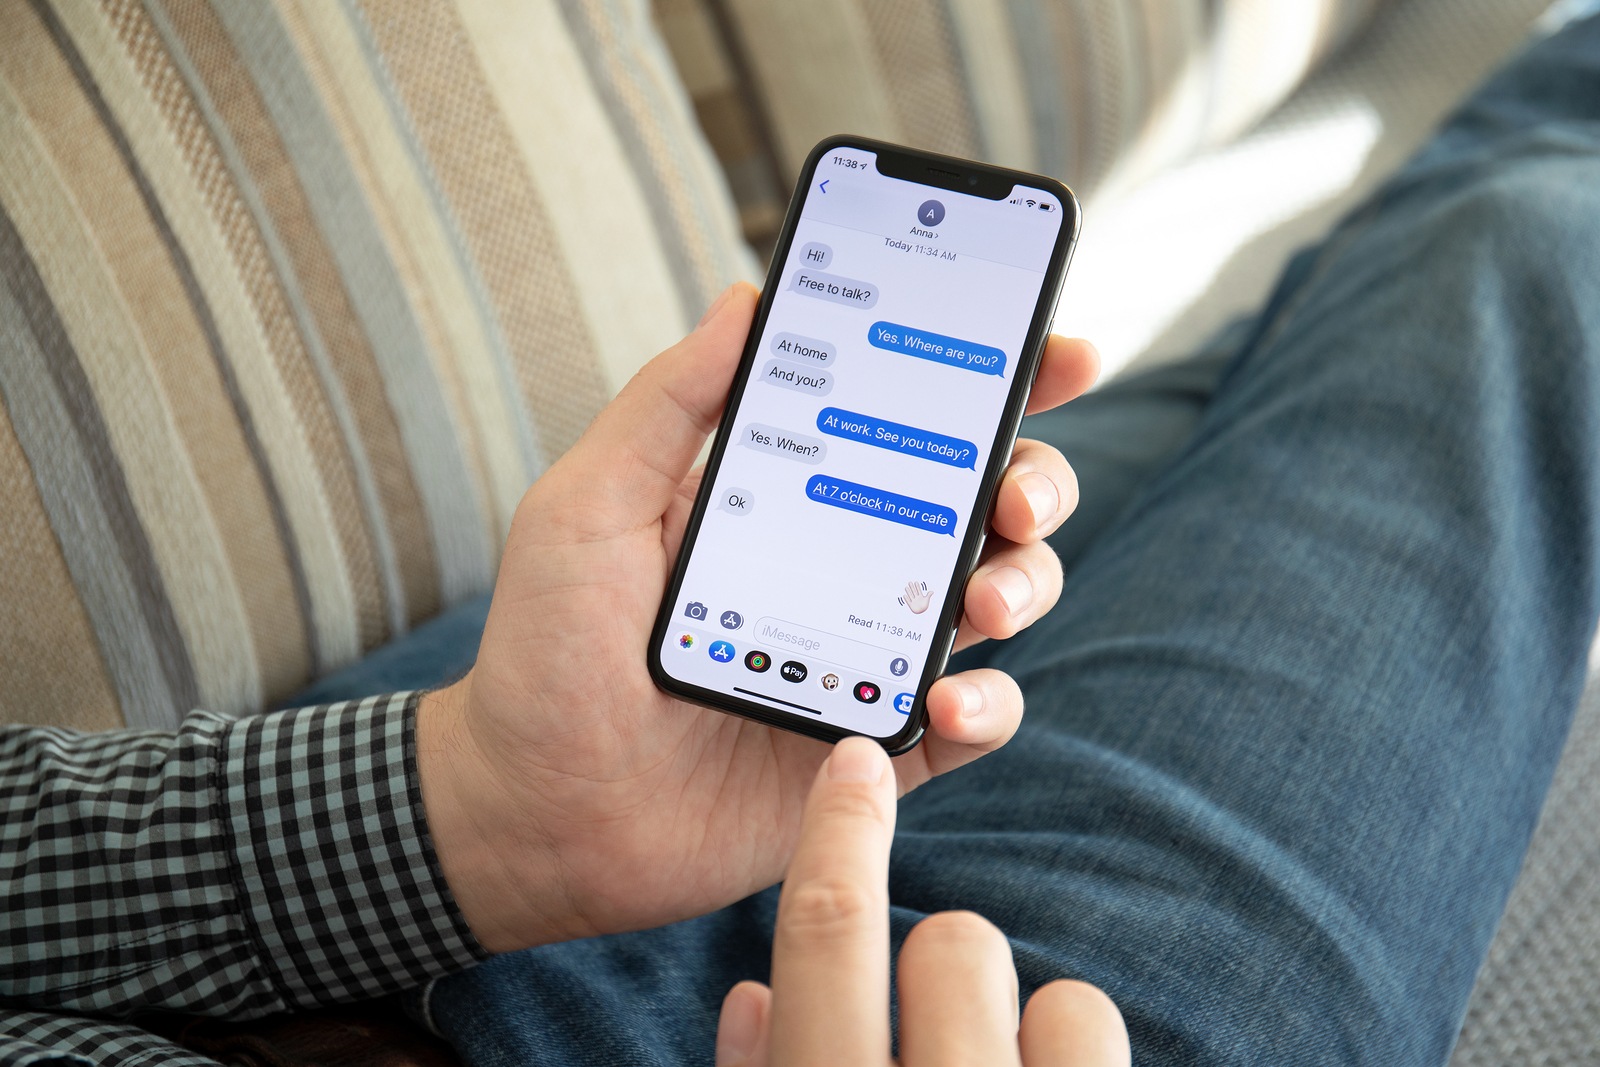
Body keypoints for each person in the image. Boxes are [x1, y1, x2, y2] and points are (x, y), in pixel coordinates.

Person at [5, 8, 1600, 1064]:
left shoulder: (512, 792)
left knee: (1203, 381)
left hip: (386, 846)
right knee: (1528, 253)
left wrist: (478, 812)